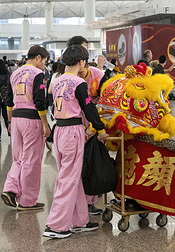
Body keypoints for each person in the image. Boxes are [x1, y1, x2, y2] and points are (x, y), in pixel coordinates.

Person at [43, 45, 109, 239]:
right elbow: (90, 110)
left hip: (60, 130)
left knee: (72, 175)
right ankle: (55, 225)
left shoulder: (56, 81)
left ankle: (79, 220)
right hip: (73, 131)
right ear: (81, 62)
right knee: (68, 178)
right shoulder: (79, 83)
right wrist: (101, 129)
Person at [1, 45, 51, 211]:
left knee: (18, 157)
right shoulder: (38, 74)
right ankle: (27, 201)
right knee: (31, 160)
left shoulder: (14, 73)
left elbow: (8, 100)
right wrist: (45, 123)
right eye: (44, 61)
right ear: (38, 57)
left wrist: (9, 122)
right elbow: (39, 101)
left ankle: (10, 188)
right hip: (32, 120)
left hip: (16, 119)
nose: (44, 65)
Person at [67, 35, 107, 214]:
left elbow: (106, 103)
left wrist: (95, 129)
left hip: (95, 125)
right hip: (74, 128)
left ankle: (90, 201)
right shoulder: (68, 77)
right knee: (76, 165)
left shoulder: (99, 76)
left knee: (93, 162)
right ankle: (76, 201)